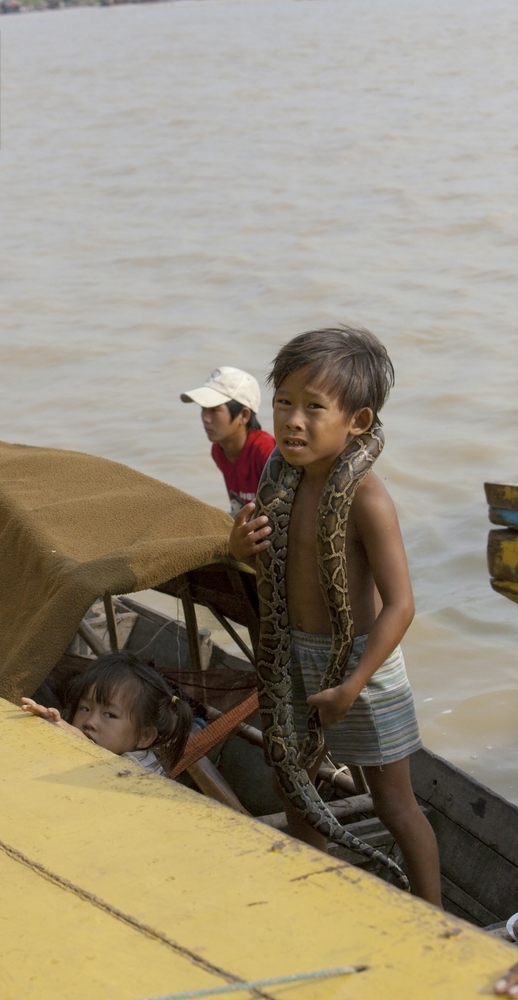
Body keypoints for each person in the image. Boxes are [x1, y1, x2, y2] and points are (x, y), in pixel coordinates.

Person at [229, 326, 441, 906]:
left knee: (394, 804)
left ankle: (437, 917)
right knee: (294, 788)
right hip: (291, 653)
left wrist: (352, 685)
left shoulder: (367, 497)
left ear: (358, 422)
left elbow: (401, 605)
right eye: (283, 403)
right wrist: (238, 546)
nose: (293, 421)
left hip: (362, 665)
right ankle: (318, 902)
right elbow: (265, 564)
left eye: (314, 407)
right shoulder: (279, 482)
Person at [21, 651, 192, 777]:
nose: (90, 722)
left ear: (144, 736)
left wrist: (72, 734)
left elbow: (106, 768)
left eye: (109, 715)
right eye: (84, 708)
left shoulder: (140, 770)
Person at [181, 366, 276, 515]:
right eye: (203, 409)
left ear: (244, 415)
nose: (205, 418)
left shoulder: (266, 450)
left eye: (214, 410)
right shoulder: (218, 450)